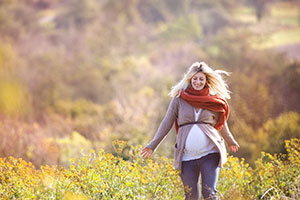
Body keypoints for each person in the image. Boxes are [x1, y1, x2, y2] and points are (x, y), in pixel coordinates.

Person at [140, 62, 239, 200]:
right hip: (187, 157)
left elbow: (221, 123)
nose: (198, 82)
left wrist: (230, 140)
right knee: (191, 196)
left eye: (201, 79)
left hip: (210, 154)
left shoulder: (213, 100)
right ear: (190, 79)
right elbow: (166, 123)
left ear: (206, 81)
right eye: (195, 79)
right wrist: (153, 145)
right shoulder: (179, 100)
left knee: (209, 194)